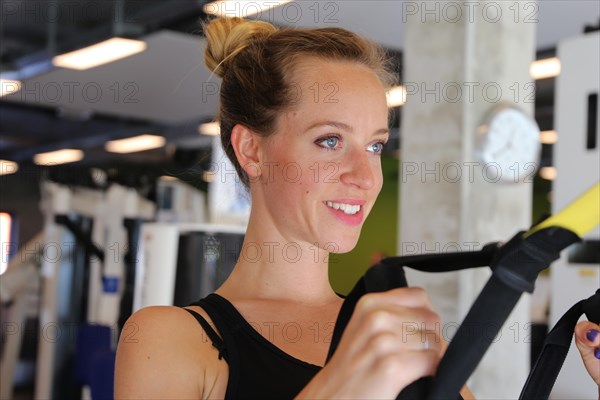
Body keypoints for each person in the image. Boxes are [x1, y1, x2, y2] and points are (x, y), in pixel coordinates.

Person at [114, 17, 600, 399]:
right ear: (251, 150)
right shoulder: (172, 340)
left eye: (374, 146)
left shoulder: (391, 330)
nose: (366, 177)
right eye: (329, 140)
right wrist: (340, 386)